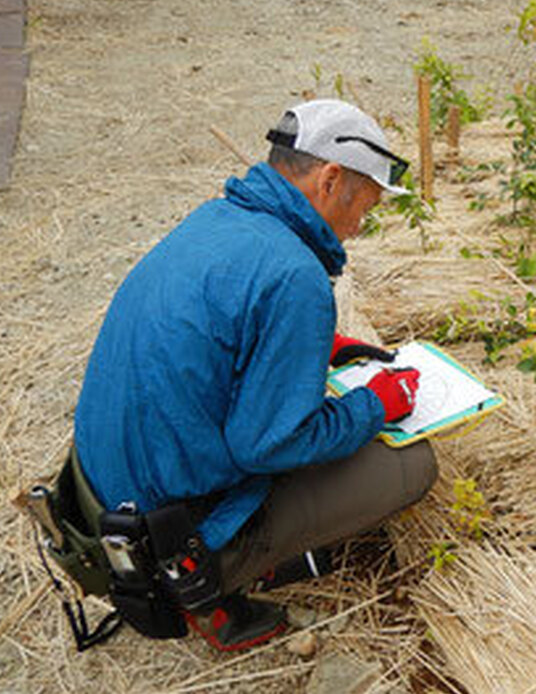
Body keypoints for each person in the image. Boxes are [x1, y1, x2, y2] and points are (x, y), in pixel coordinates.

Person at [67, 99, 439, 650]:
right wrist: (376, 406)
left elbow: (211, 341)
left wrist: (311, 350)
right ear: (331, 180)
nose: (359, 227)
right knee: (413, 465)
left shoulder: (218, 220)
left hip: (95, 497)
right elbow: (268, 445)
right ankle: (217, 584)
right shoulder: (295, 275)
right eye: (364, 206)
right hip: (168, 544)